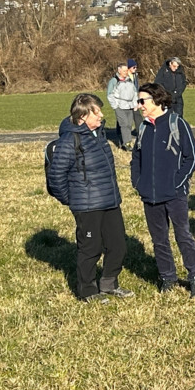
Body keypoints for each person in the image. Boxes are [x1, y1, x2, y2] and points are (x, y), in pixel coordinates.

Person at [45, 93, 132, 303]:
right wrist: (73, 199)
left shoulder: (99, 135)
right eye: (97, 112)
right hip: (87, 207)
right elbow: (56, 177)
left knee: (118, 245)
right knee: (90, 249)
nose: (101, 115)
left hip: (110, 201)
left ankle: (109, 283)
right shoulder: (69, 141)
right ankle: (87, 290)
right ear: (83, 116)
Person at [130, 82, 195, 297]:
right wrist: (138, 182)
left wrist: (177, 183)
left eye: (142, 101)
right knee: (159, 240)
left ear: (156, 100)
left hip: (175, 195)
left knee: (183, 236)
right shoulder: (143, 128)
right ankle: (168, 278)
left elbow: (192, 158)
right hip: (150, 196)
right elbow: (136, 158)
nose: (139, 105)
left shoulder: (177, 124)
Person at [106, 63, 138, 150]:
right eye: (124, 71)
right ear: (119, 70)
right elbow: (109, 95)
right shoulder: (114, 81)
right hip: (120, 107)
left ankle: (122, 142)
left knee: (129, 125)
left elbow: (134, 93)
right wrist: (115, 106)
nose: (126, 72)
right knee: (124, 124)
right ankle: (126, 143)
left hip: (130, 106)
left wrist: (135, 104)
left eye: (126, 71)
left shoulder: (129, 80)